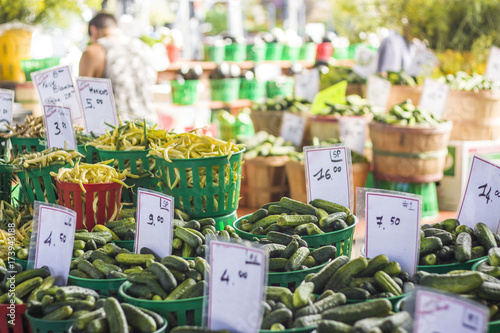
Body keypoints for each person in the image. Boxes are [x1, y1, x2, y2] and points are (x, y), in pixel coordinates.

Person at [79, 13, 158, 124]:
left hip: (117, 135)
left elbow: (82, 101)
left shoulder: (93, 52)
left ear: (93, 31)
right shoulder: (144, 48)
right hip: (151, 130)